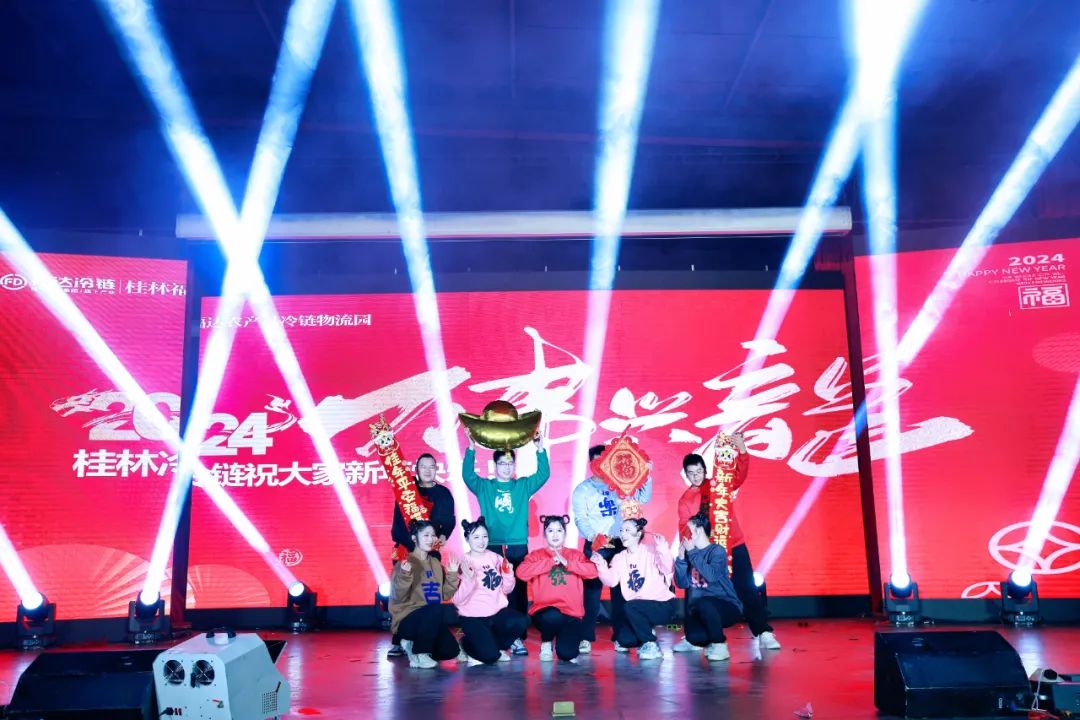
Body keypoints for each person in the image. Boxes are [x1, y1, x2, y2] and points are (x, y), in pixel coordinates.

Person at [675, 440, 781, 653]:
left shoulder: (719, 485)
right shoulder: (685, 499)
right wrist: (688, 549)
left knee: (747, 587)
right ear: (686, 475)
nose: (696, 476)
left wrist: (742, 450)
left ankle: (763, 631)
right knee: (697, 592)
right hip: (706, 552)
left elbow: (739, 476)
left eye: (699, 471)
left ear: (705, 470)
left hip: (734, 544)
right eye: (691, 473)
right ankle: (694, 637)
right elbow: (684, 527)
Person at [463, 429, 550, 655]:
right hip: (491, 546)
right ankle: (492, 632)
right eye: (502, 463)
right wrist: (471, 448)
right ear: (495, 466)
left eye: (510, 464)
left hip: (517, 545)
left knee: (518, 591)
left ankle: (516, 637)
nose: (506, 467)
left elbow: (543, 475)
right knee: (492, 588)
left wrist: (540, 449)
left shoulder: (522, 486)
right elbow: (467, 476)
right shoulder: (485, 487)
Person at [571, 443, 653, 654]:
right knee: (591, 593)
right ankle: (585, 637)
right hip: (597, 544)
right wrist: (594, 537)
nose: (601, 465)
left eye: (604, 460)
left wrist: (647, 474)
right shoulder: (583, 489)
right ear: (590, 463)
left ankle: (621, 636)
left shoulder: (621, 483)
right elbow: (580, 518)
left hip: (620, 543)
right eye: (596, 461)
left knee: (621, 592)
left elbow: (643, 498)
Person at [388, 453, 456, 658]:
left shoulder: (443, 493)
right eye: (423, 467)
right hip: (406, 551)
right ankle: (399, 640)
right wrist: (412, 549)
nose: (427, 470)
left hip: (430, 552)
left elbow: (449, 521)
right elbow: (398, 523)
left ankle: (426, 639)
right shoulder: (408, 491)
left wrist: (442, 536)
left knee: (430, 595)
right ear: (416, 470)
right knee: (402, 594)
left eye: (431, 466)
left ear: (436, 469)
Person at [516, 514, 598, 663]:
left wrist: (568, 563)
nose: (555, 535)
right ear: (544, 534)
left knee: (567, 654)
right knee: (552, 617)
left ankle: (562, 641)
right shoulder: (536, 555)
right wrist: (550, 562)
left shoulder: (575, 555)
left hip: (572, 614)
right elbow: (521, 573)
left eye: (559, 530)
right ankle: (546, 642)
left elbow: (592, 572)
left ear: (565, 533)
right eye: (550, 531)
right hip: (546, 612)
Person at [591, 518, 674, 660]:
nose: (623, 534)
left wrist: (662, 548)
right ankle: (646, 633)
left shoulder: (652, 550)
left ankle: (651, 644)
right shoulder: (619, 557)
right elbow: (611, 581)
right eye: (621, 530)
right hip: (638, 608)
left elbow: (667, 568)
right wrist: (601, 566)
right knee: (624, 639)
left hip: (661, 605)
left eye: (627, 530)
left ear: (638, 533)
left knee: (630, 606)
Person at [452, 516, 530, 665]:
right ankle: (465, 643)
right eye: (476, 537)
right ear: (467, 539)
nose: (481, 541)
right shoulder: (462, 562)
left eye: (484, 536)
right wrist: (468, 580)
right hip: (472, 617)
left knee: (522, 621)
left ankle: (498, 647)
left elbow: (507, 589)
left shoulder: (495, 558)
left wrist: (508, 574)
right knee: (490, 657)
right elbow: (457, 600)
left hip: (495, 613)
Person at [388, 520, 461, 669]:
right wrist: (405, 575)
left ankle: (412, 647)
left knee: (451, 651)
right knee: (435, 609)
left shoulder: (435, 563)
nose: (430, 539)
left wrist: (453, 575)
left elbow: (444, 595)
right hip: (407, 620)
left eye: (433, 535)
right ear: (414, 538)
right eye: (426, 535)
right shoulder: (405, 563)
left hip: (430, 619)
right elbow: (397, 596)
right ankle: (420, 653)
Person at [674, 512, 744, 661]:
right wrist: (680, 560)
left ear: (699, 530)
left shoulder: (717, 551)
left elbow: (711, 576)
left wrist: (692, 552)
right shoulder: (690, 554)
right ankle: (708, 641)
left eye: (689, 530)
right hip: (701, 609)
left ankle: (720, 645)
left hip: (726, 606)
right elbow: (682, 583)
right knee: (694, 637)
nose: (685, 534)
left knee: (705, 603)